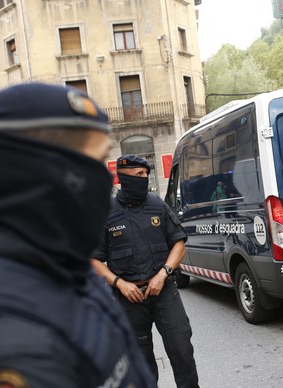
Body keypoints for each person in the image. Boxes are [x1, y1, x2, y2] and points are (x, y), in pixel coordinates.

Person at [0, 83, 155, 387]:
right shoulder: (3, 339)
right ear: (43, 174)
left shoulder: (66, 268)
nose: (107, 180)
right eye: (96, 162)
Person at [91, 155, 199, 388]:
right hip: (129, 299)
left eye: (146, 174)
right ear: (123, 176)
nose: (144, 179)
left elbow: (179, 245)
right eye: (139, 174)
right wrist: (119, 283)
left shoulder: (157, 204)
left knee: (181, 349)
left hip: (163, 292)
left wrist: (163, 274)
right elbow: (94, 260)